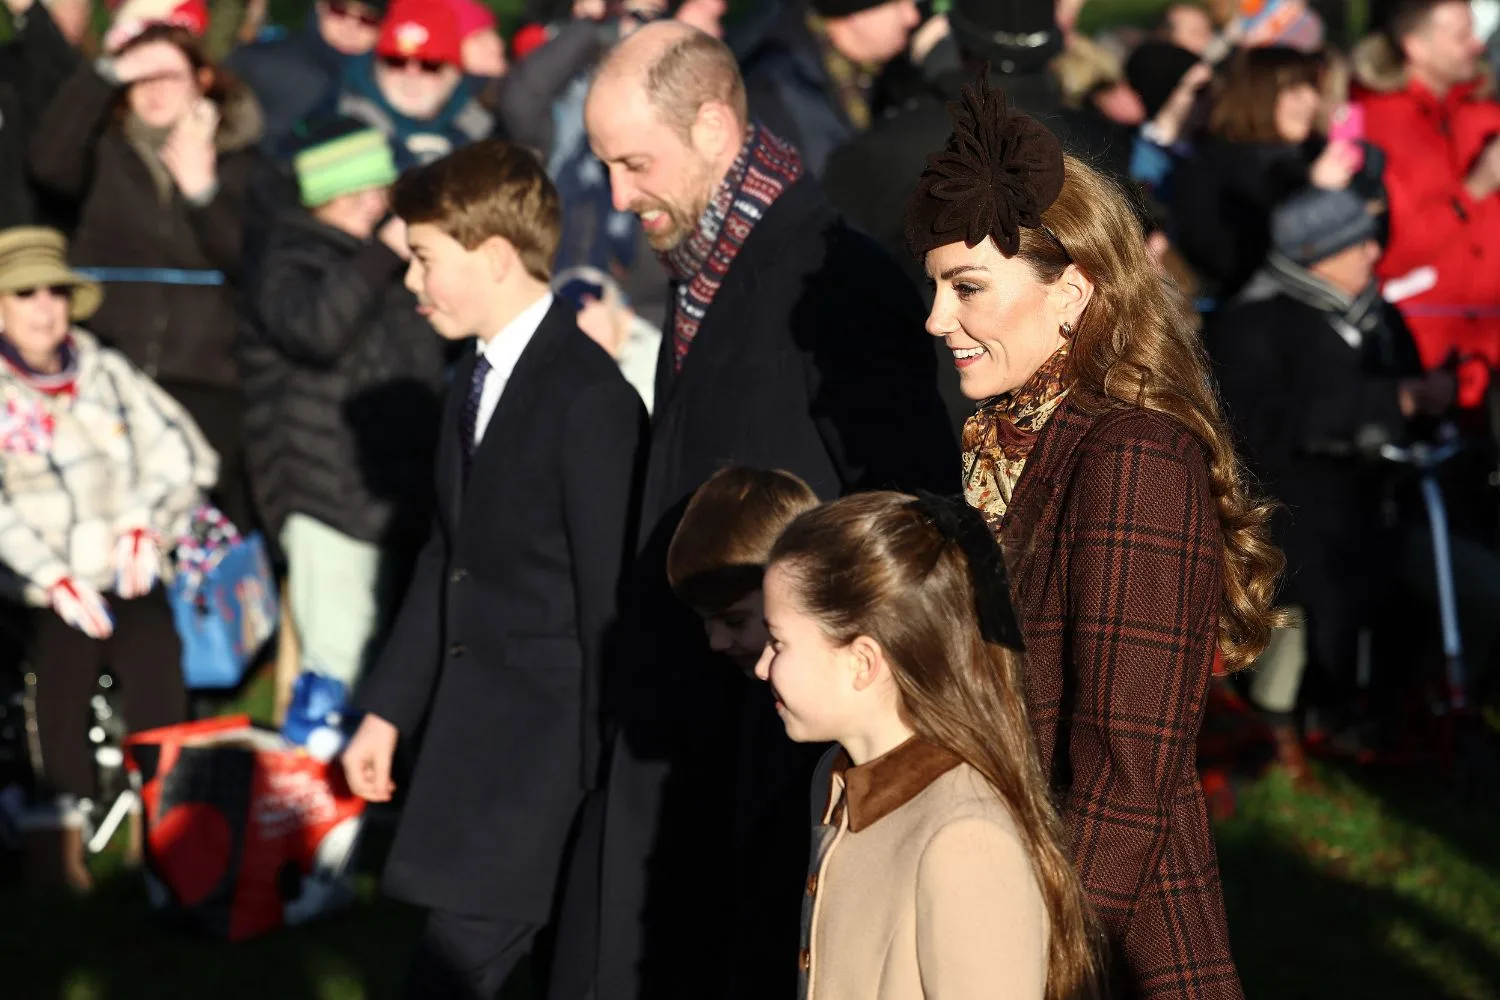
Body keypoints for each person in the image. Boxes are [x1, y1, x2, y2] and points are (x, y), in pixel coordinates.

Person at [581, 21, 957, 999]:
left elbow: (906, 513)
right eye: (605, 167)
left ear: (713, 128)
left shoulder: (834, 282)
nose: (617, 197)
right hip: (698, 727)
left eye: (634, 164)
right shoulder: (707, 263)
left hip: (776, 748)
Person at [904, 74, 1284, 997]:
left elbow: (1125, 774)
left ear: (1071, 292)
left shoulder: (1133, 456)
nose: (936, 319)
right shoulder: (1010, 440)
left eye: (967, 288)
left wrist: (1041, 960)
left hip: (1108, 938)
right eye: (936, 287)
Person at [340, 139, 646, 999]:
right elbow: (450, 554)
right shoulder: (471, 382)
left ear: (497, 255)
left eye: (425, 259)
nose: (412, 282)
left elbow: (611, 603)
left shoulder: (589, 400)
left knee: (454, 972)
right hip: (483, 746)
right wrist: (388, 710)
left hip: (550, 761)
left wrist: (603, 776)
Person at [759, 491, 1100, 999]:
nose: (762, 666)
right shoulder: (835, 780)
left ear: (862, 662)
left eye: (778, 642)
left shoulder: (966, 841)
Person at [0, 227, 216, 891]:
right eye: (26, 294)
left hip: (127, 568)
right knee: (58, 668)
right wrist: (50, 577)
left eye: (55, 292)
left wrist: (145, 526)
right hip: (38, 583)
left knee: (157, 656)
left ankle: (162, 826)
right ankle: (57, 841)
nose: (45, 308)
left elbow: (183, 454)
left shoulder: (106, 372)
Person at [1206, 187, 1445, 770]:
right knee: (1302, 602)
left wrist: (1427, 403)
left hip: (1382, 508)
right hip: (1288, 513)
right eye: (1356, 243)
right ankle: (1277, 726)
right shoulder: (1251, 323)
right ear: (1316, 256)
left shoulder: (1379, 317)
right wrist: (1390, 403)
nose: (1373, 252)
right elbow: (1257, 426)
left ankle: (1383, 716)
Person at [239, 118, 444, 716]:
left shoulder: (378, 263)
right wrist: (383, 253)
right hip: (323, 496)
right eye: (356, 193)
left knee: (389, 669)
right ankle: (323, 769)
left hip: (390, 493)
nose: (373, 204)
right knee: (338, 667)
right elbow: (315, 329)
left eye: (377, 190)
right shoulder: (286, 257)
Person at [29, 20, 262, 532]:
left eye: (169, 76)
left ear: (202, 80)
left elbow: (251, 262)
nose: (154, 91)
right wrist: (105, 72)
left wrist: (203, 193)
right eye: (140, 76)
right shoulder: (97, 147)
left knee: (200, 529)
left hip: (206, 379)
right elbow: (47, 166)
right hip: (107, 371)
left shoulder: (240, 159)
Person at [656, 465, 824, 996]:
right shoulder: (737, 703)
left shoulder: (821, 726)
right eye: (705, 621)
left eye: (734, 621)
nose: (715, 642)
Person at [1352, 0, 1500, 408]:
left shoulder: (1484, 114)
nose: (1477, 46)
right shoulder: (1373, 124)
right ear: (1415, 46)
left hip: (1487, 359)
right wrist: (1476, 187)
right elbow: (1386, 252)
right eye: (1461, 36)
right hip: (1416, 365)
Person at [1171, 46, 1375, 305]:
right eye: (1294, 90)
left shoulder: (1312, 153)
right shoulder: (1208, 170)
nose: (1312, 101)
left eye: (1313, 88)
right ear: (1258, 95)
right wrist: (1314, 193)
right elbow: (1229, 260)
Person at [735, 0, 921, 176]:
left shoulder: (884, 74)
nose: (912, 17)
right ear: (855, 15)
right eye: (898, 4)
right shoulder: (774, 93)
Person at [333, 0, 496, 168]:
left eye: (430, 65)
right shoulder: (340, 131)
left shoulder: (486, 137)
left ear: (454, 74)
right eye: (396, 61)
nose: (411, 76)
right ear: (376, 67)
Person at [226, 0, 385, 151]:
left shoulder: (383, 84)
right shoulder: (285, 61)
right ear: (320, 7)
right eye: (339, 10)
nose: (351, 26)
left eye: (368, 19)